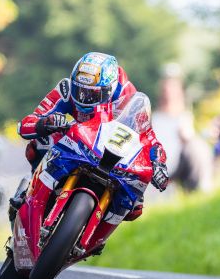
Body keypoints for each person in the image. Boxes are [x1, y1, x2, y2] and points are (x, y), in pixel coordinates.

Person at [9, 52, 169, 224]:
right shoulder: (65, 89)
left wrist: (159, 163)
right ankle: (29, 188)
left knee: (135, 207)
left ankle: (99, 229)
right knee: (38, 144)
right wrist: (46, 123)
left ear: (109, 89)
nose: (84, 99)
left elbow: (147, 137)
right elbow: (26, 123)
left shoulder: (126, 96)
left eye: (92, 94)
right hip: (74, 141)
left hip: (108, 151)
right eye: (80, 91)